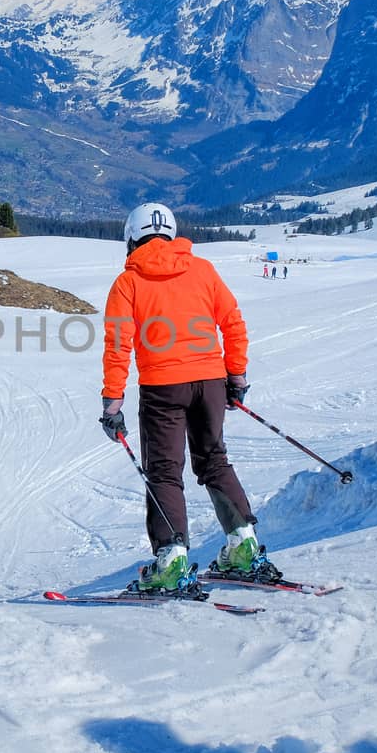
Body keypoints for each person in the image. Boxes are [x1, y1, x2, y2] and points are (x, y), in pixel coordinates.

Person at [101, 201, 270, 591]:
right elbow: (233, 323)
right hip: (210, 382)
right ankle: (243, 544)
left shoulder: (128, 282)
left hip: (163, 387)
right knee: (214, 459)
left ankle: (171, 559)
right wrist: (236, 376)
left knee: (164, 471)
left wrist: (112, 403)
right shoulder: (203, 270)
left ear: (132, 238)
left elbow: (117, 346)